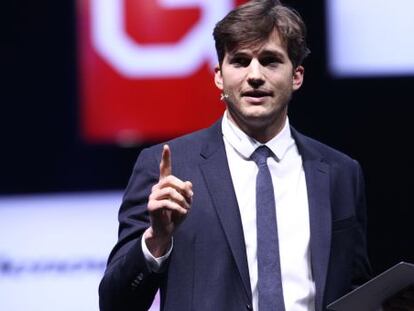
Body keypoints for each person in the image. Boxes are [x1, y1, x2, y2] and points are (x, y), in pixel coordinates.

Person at [99, 1, 372, 310]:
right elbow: (115, 303)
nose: (254, 75)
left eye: (270, 61)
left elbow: (353, 289)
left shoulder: (340, 172)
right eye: (240, 61)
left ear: (296, 76)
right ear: (219, 76)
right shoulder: (168, 167)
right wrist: (156, 240)